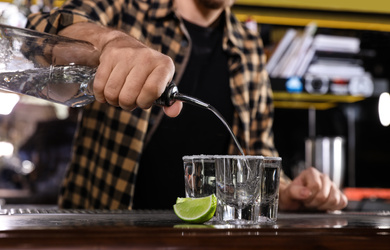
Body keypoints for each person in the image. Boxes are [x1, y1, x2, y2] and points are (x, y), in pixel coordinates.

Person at [26, 0, 348, 211]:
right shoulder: (127, 8)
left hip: (205, 249)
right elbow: (38, 33)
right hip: (105, 242)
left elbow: (255, 157)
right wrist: (109, 42)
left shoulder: (249, 49)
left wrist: (290, 194)